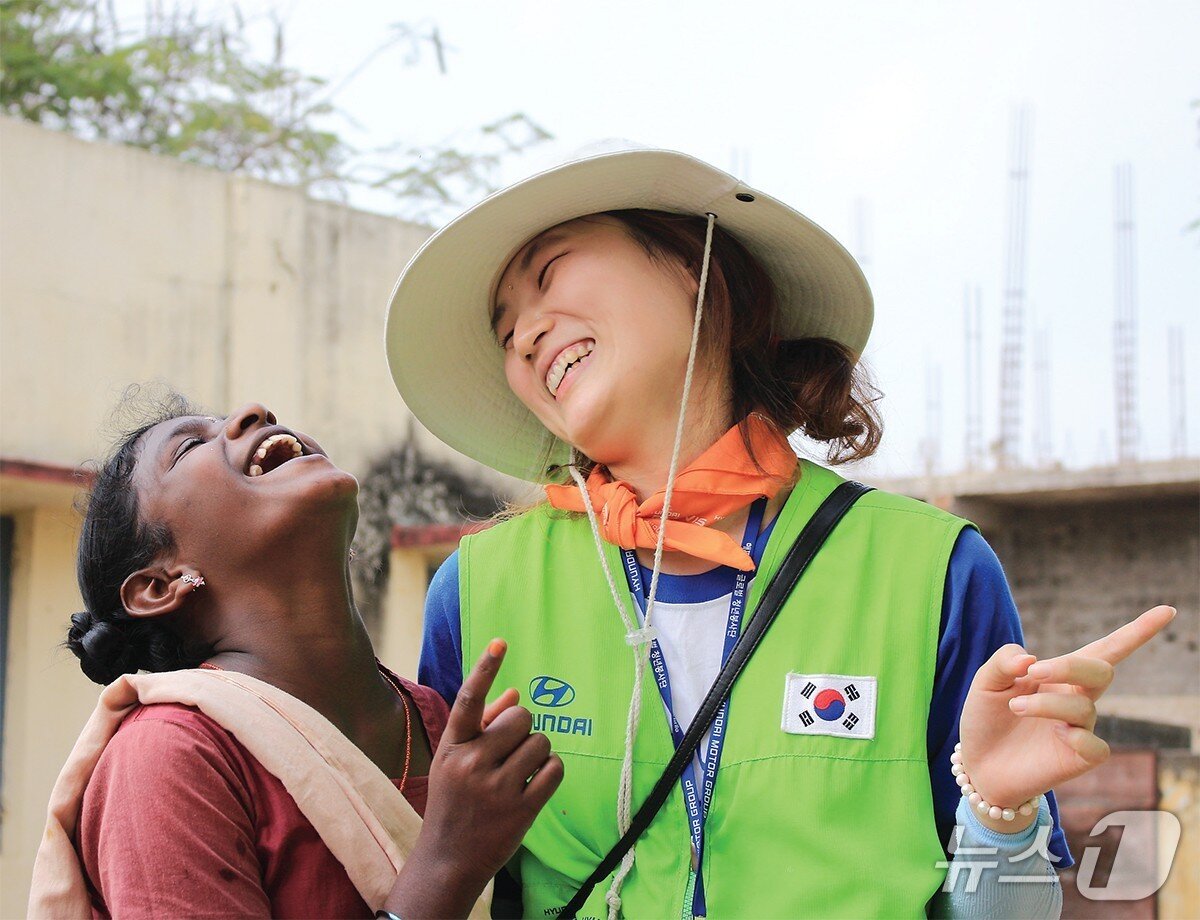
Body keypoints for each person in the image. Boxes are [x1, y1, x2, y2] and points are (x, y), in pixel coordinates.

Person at [385, 149, 1176, 918]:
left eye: (549, 273)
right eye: (504, 330)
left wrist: (1000, 812)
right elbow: (435, 883)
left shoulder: (934, 570)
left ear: (693, 270)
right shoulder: (475, 591)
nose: (523, 333)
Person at [33, 393, 562, 919]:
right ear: (159, 585)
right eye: (191, 446)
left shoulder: (438, 720)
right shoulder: (168, 758)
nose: (255, 413)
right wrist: (447, 863)